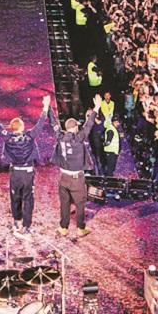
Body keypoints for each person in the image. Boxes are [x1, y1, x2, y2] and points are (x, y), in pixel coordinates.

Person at [0, 95, 51, 239]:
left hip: (15, 174)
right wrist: (46, 106)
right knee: (28, 199)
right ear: (22, 127)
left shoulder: (8, 137)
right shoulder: (29, 135)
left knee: (15, 197)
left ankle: (17, 222)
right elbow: (41, 122)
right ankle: (26, 226)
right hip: (27, 173)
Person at [53, 96, 98, 237]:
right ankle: (80, 228)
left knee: (64, 203)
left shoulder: (60, 137)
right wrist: (96, 108)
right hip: (76, 178)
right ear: (75, 127)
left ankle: (63, 228)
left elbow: (53, 123)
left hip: (63, 178)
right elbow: (88, 125)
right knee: (80, 204)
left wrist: (47, 108)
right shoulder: (79, 138)